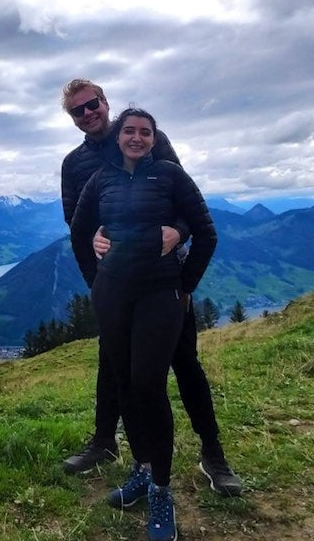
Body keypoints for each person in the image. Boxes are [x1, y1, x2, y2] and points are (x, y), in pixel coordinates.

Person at [59, 79, 242, 498]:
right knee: (115, 365)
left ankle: (213, 453)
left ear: (105, 102)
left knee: (185, 361)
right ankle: (106, 443)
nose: (88, 114)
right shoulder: (75, 165)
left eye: (92, 104)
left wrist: (179, 233)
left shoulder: (150, 141)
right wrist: (95, 273)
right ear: (72, 118)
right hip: (116, 284)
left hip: (164, 279)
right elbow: (76, 222)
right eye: (77, 111)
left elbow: (185, 201)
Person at [70, 107, 217, 541]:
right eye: (130, 131)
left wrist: (185, 285)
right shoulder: (100, 180)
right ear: (118, 137)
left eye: (145, 132)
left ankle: (161, 490)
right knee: (124, 384)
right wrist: (96, 282)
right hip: (114, 297)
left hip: (160, 293)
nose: (137, 138)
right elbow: (79, 231)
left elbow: (206, 233)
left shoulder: (170, 175)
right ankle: (143, 468)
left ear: (154, 138)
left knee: (148, 384)